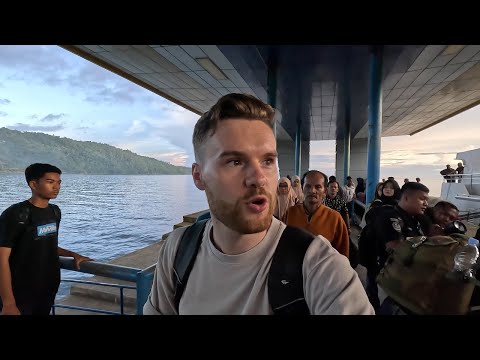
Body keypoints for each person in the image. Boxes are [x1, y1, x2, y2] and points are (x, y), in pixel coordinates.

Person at [143, 93, 373, 315]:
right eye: (235, 161)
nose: (259, 178)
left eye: (267, 161)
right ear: (198, 176)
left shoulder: (319, 267)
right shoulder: (178, 251)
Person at [0, 163, 92, 315]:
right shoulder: (16, 215)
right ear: (34, 184)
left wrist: (73, 255)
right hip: (20, 292)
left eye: (58, 182)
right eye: (50, 182)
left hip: (47, 289)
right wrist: (8, 303)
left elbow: (45, 244)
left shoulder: (55, 212)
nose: (56, 187)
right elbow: (1, 259)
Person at [362, 182, 429, 311]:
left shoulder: (415, 219)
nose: (426, 203)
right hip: (385, 276)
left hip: (398, 274)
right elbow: (396, 247)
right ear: (406, 198)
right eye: (422, 199)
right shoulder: (390, 217)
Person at [285, 170, 350, 258]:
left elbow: (342, 254)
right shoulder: (290, 213)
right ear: (302, 188)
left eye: (318, 187)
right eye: (308, 186)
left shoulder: (335, 218)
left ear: (325, 191)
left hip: (324, 270)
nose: (312, 190)